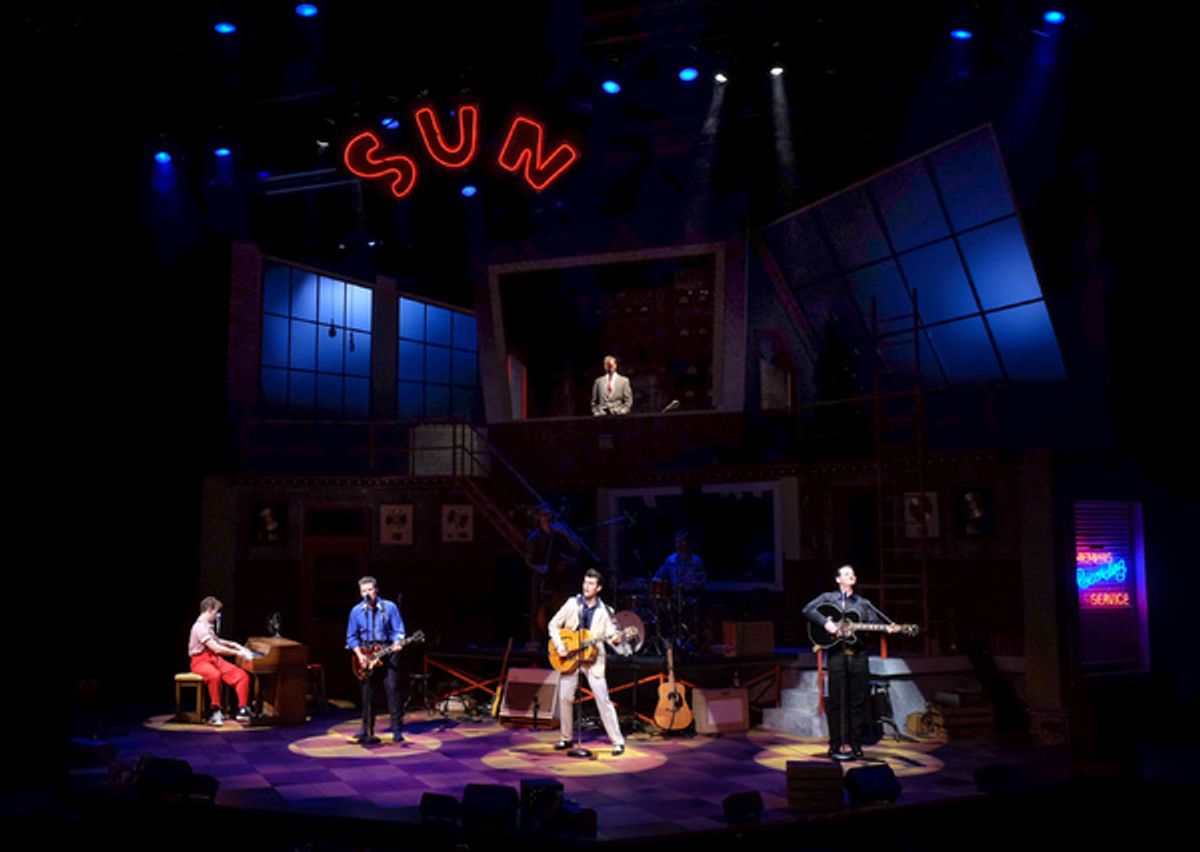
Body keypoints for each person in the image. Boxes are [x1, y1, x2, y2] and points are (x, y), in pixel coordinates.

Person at [802, 565, 900, 760]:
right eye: (846, 573)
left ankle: (855, 742)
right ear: (838, 579)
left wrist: (886, 628)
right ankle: (835, 743)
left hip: (858, 655)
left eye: (853, 573)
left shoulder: (863, 603)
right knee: (836, 700)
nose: (851, 576)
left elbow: (874, 623)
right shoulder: (828, 598)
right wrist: (827, 623)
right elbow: (807, 609)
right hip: (837, 655)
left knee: (858, 700)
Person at [548, 568, 632, 755]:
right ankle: (566, 738)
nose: (586, 587)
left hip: (593, 660)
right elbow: (553, 625)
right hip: (570, 658)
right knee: (565, 698)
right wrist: (560, 645)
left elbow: (612, 638)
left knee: (603, 699)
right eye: (585, 582)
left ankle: (618, 741)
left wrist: (617, 639)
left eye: (591, 584)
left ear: (598, 588)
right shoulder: (572, 603)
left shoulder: (606, 611)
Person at [346, 576, 409, 744]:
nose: (367, 594)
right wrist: (360, 655)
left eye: (370, 590)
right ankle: (366, 728)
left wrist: (397, 643)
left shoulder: (390, 607)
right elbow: (351, 637)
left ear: (376, 590)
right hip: (366, 654)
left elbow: (398, 631)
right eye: (363, 591)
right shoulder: (356, 611)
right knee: (367, 694)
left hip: (387, 652)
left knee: (392, 691)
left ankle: (397, 729)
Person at [188, 596, 254, 726]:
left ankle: (242, 708)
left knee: (242, 675)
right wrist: (238, 653)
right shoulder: (199, 627)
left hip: (214, 659)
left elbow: (217, 640)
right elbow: (216, 648)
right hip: (200, 661)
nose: (218, 615)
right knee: (215, 675)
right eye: (216, 611)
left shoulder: (208, 625)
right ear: (209, 610)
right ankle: (216, 710)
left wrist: (234, 645)